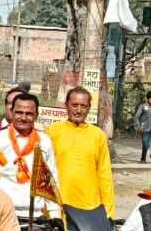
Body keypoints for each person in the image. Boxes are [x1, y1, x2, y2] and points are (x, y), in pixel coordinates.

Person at [46, 87, 115, 218]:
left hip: (90, 207)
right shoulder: (52, 131)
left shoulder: (98, 135)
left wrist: (109, 213)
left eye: (83, 106)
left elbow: (105, 175)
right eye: (74, 105)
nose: (78, 110)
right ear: (66, 105)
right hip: (58, 205)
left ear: (89, 108)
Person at [0, 92, 60, 219]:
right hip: (0, 213)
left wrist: (55, 216)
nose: (23, 118)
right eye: (19, 112)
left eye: (29, 114)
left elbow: (51, 179)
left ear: (36, 115)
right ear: (11, 112)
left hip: (34, 215)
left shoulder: (44, 141)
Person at [134, 91, 151, 163]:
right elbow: (136, 117)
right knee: (146, 144)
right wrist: (139, 126)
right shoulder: (143, 106)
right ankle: (143, 159)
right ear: (147, 99)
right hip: (144, 129)